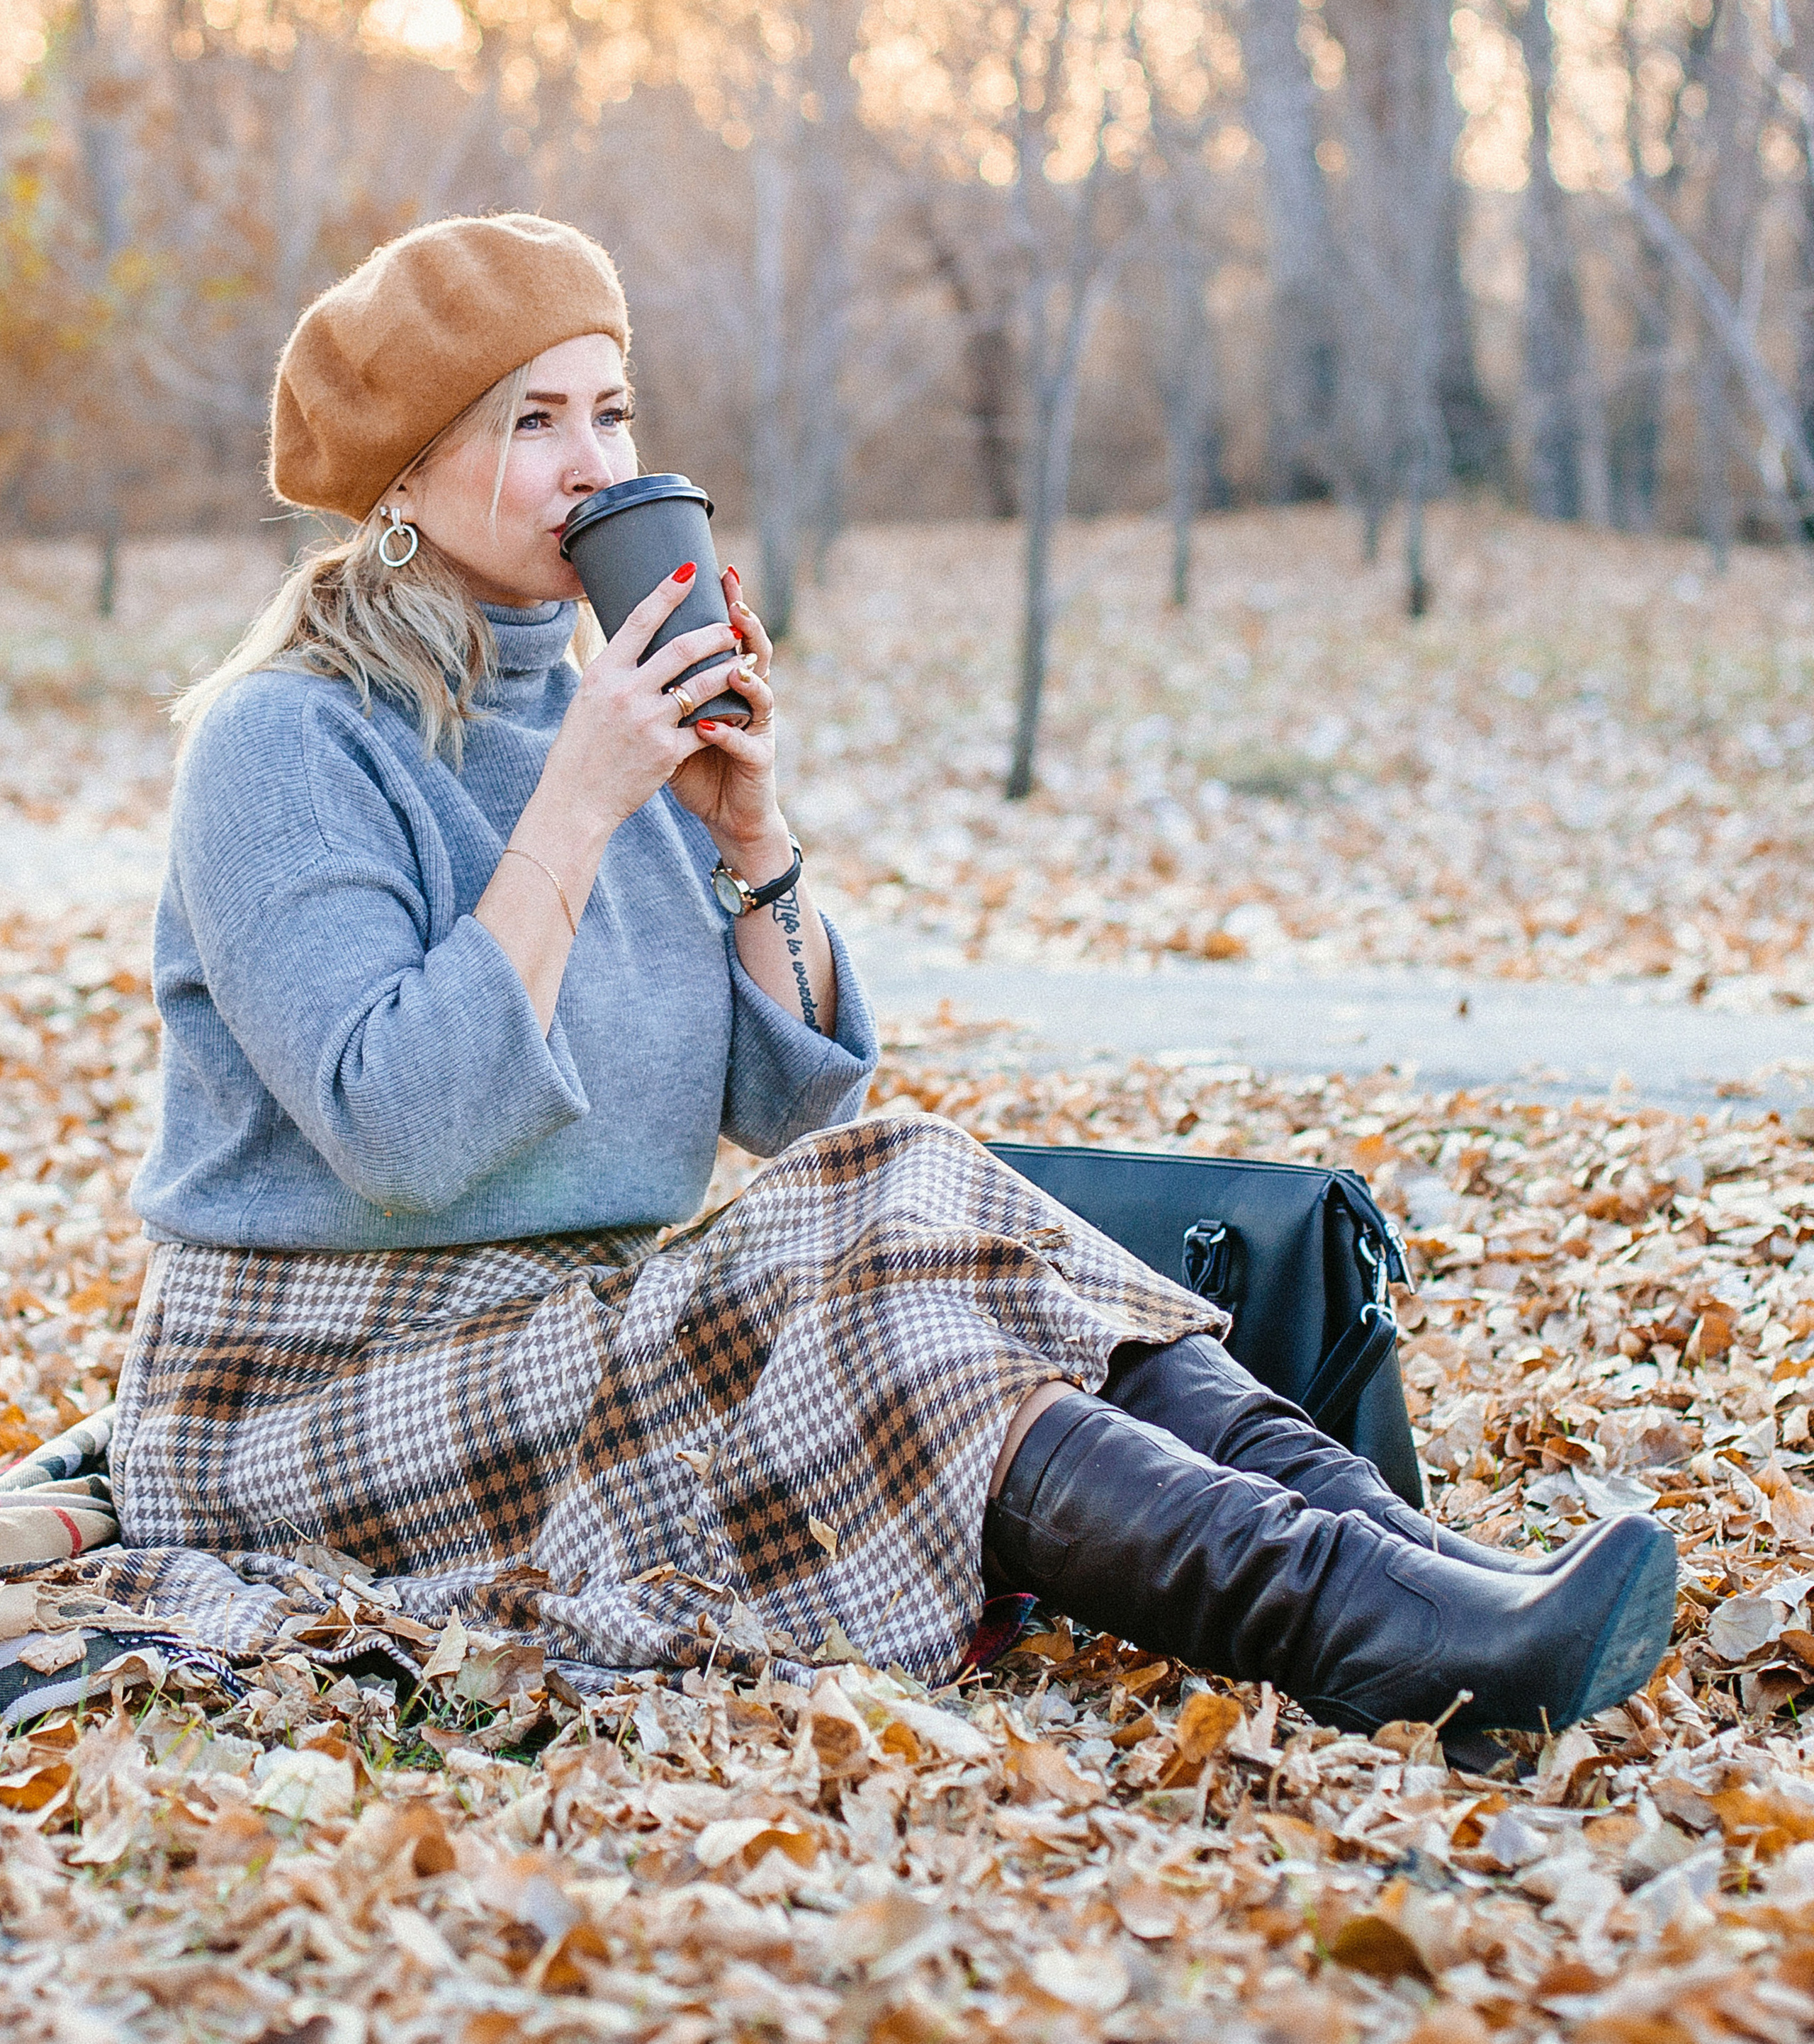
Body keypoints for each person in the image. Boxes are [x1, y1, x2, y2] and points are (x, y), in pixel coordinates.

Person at [113, 211, 1676, 1731]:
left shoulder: (610, 712)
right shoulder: (290, 741)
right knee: (890, 1335)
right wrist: (577, 808)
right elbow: (406, 1134)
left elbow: (799, 1119)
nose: (597, 463)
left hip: (572, 1332)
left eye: (611, 408)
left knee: (907, 1170)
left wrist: (749, 838)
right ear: (401, 476)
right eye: (532, 421)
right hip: (307, 1391)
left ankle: (1429, 1579)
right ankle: (1375, 1633)